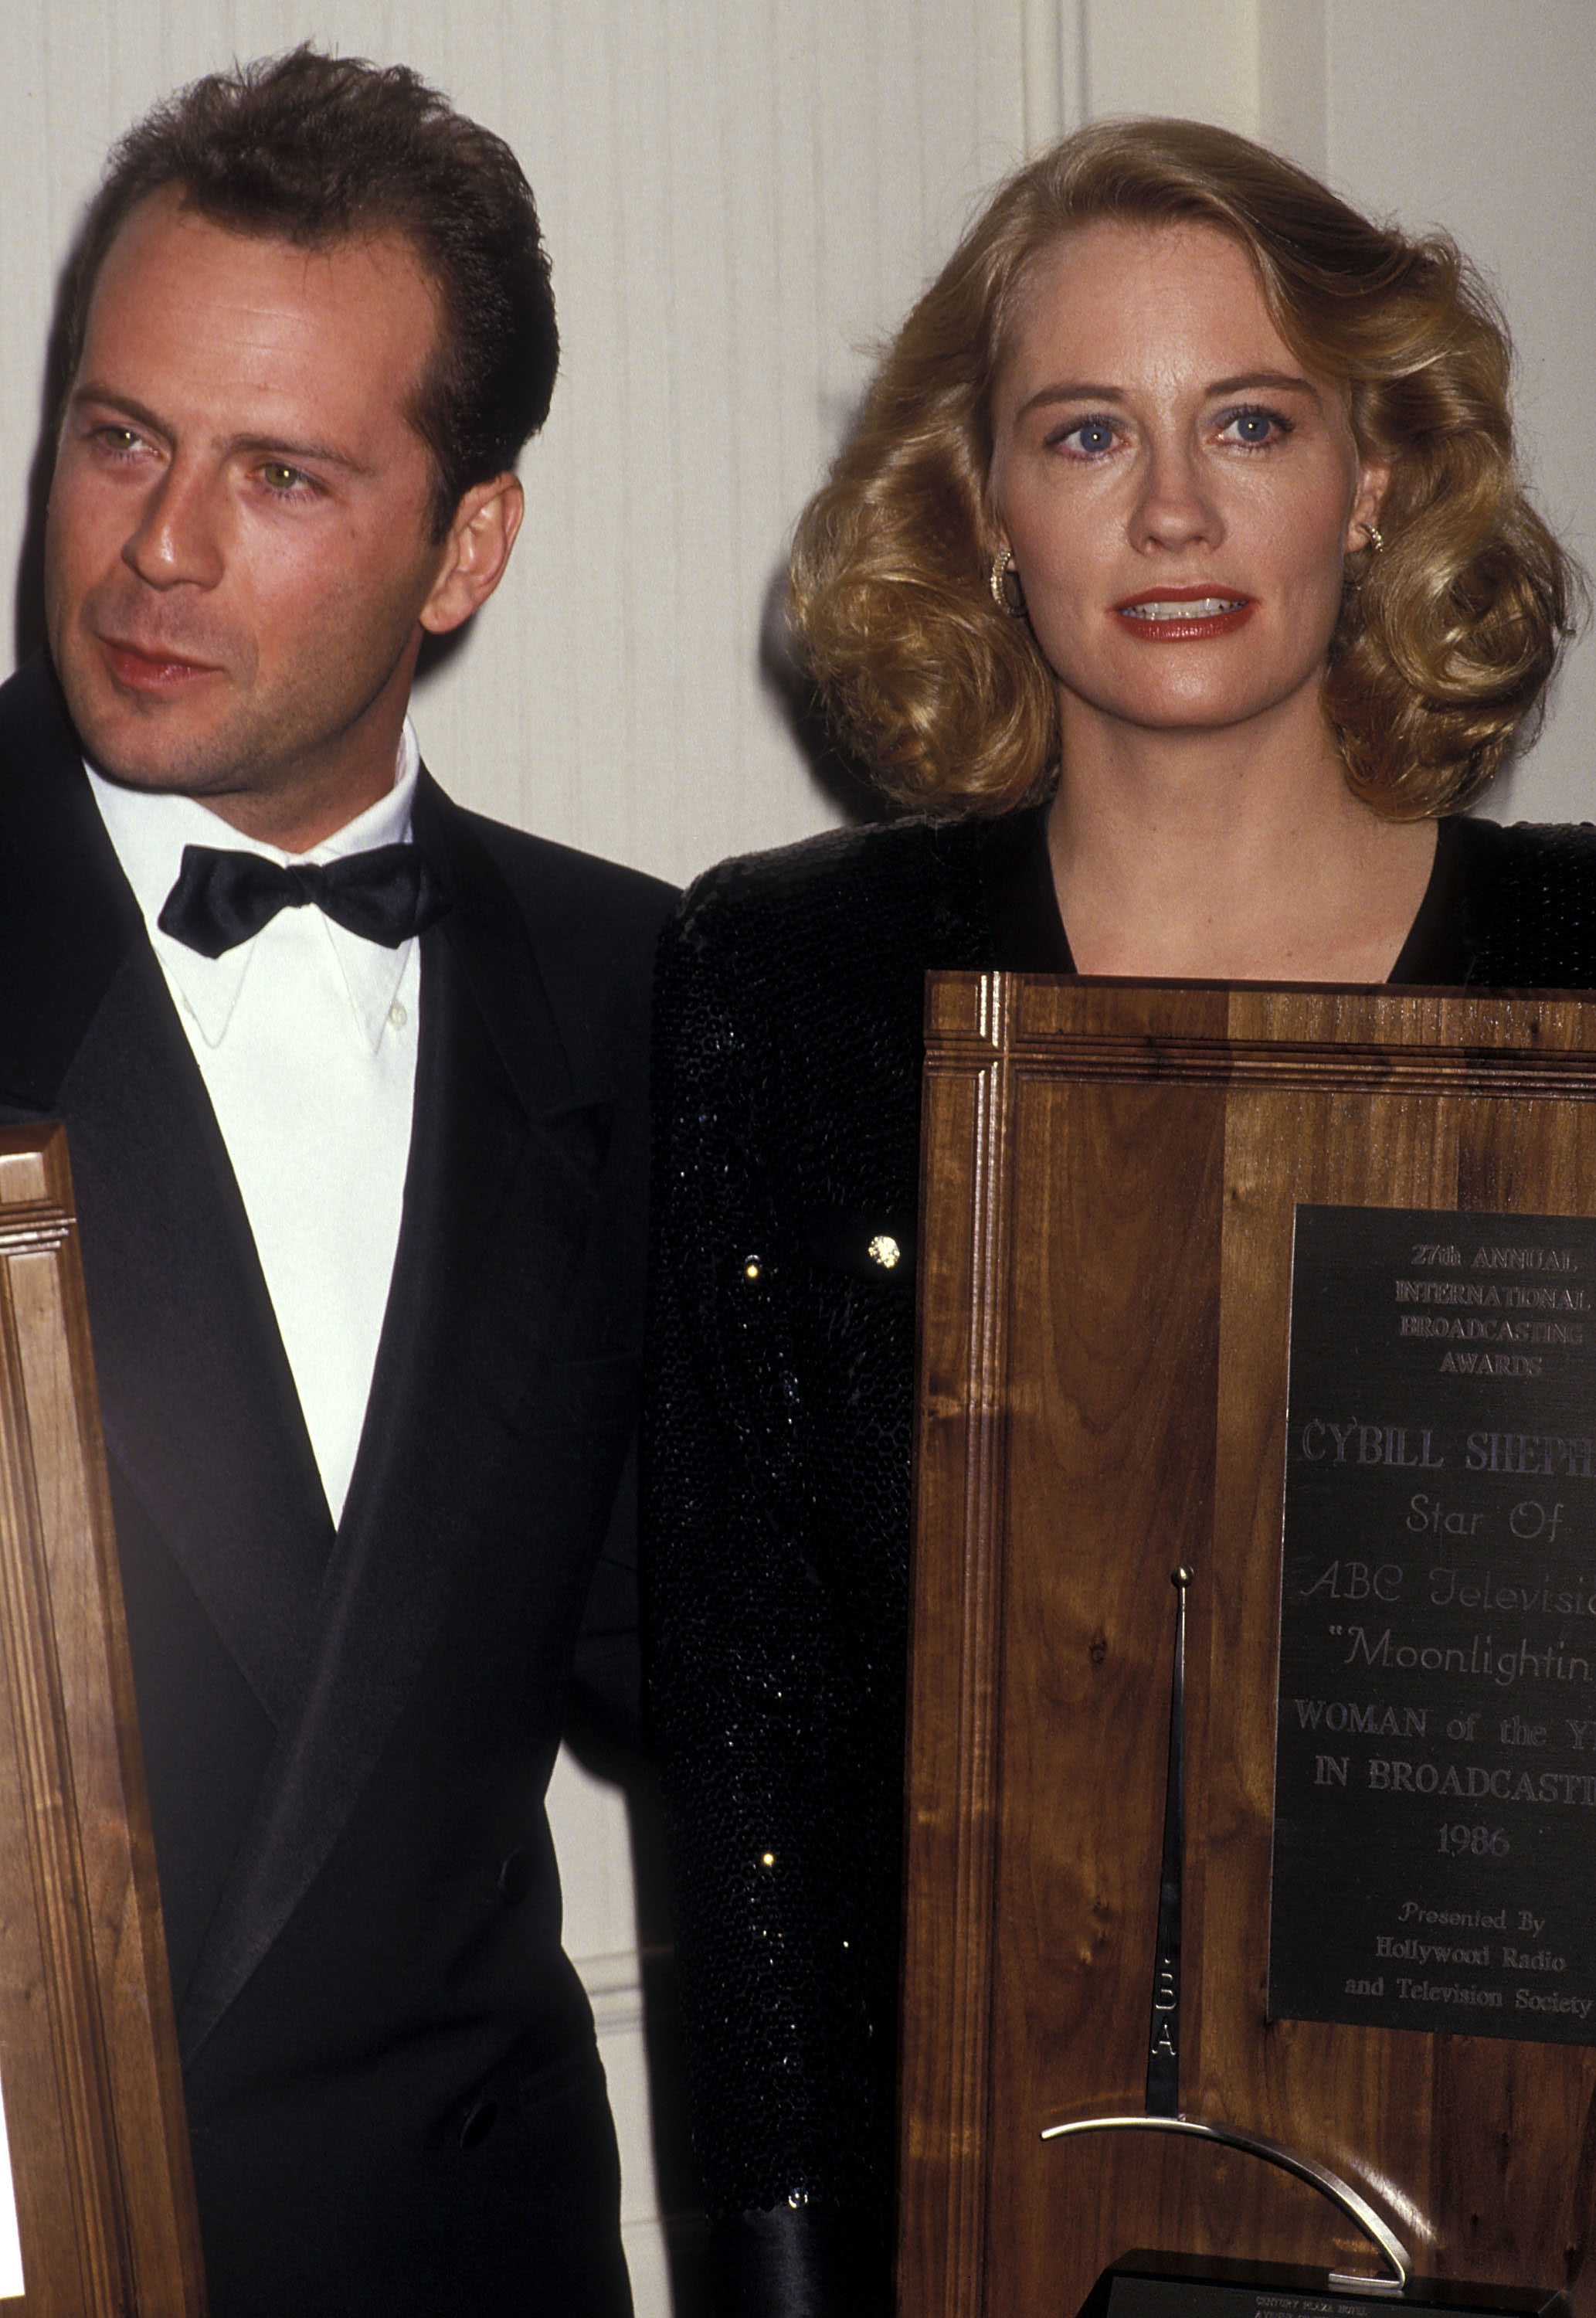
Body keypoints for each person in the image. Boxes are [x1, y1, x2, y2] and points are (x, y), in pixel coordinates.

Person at [644, 117, 1591, 2316]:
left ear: (1373, 476)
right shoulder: (787, 990)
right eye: (1086, 432)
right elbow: (747, 1724)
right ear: (982, 508)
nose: (1171, 511)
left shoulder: (1574, 980)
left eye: (1246, 422)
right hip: (956, 2230)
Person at [0, 48, 671, 2316]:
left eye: (278, 475)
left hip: (455, 2249)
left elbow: (730, 1669)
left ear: (465, 541)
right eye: (121, 437)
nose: (155, 549)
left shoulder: (641, 989)